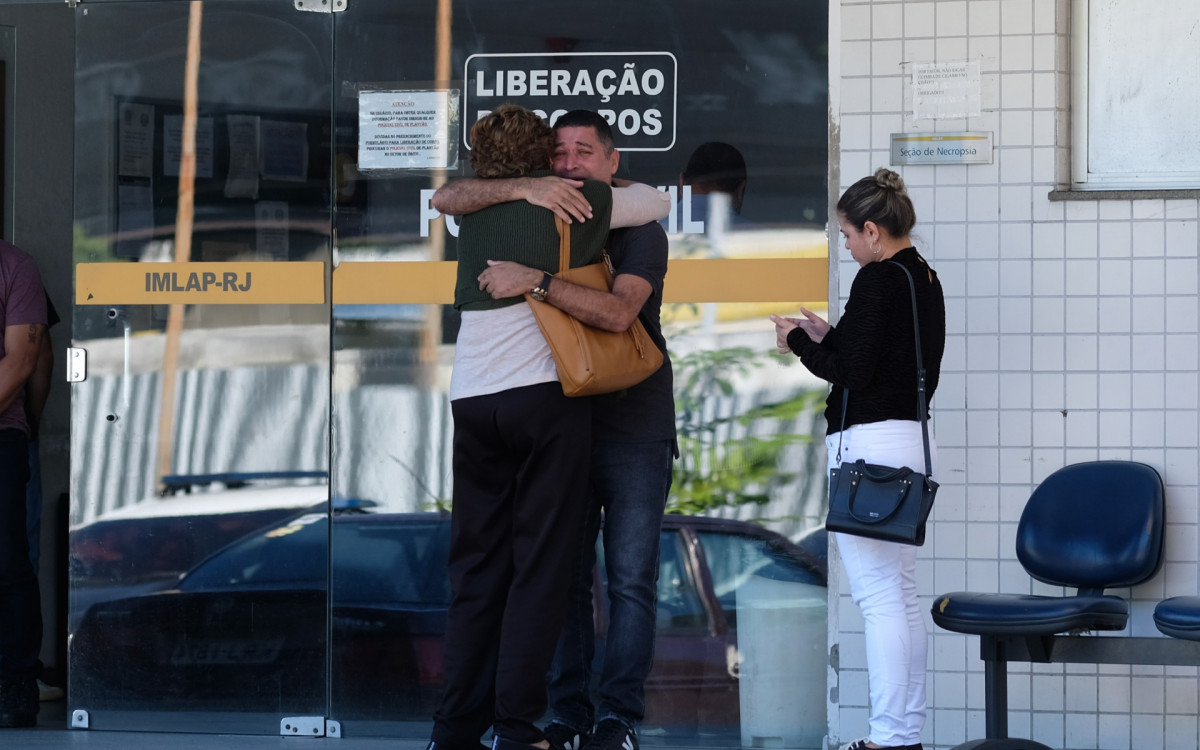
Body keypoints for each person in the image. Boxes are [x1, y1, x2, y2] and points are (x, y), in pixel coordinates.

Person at [428, 104, 669, 750]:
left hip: (474, 401)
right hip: (542, 402)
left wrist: (524, 188)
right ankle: (518, 728)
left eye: (583, 153)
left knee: (477, 572)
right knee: (542, 571)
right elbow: (657, 200)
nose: (568, 165)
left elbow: (443, 196)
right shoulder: (575, 205)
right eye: (557, 154)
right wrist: (544, 187)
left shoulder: (472, 214)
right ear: (539, 159)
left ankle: (455, 730)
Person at [770, 168, 944, 750]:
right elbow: (887, 359)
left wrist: (798, 342)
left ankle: (889, 738)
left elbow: (854, 373)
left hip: (870, 447)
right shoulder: (922, 276)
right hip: (910, 441)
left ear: (872, 230)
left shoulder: (877, 279)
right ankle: (903, 733)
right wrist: (831, 334)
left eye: (846, 234)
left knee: (879, 599)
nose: (844, 245)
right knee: (900, 596)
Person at [0, 239, 49, 729]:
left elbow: (23, 360)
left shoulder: (16, 267)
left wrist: (31, 424)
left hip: (1, 435)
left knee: (7, 561)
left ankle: (15, 683)